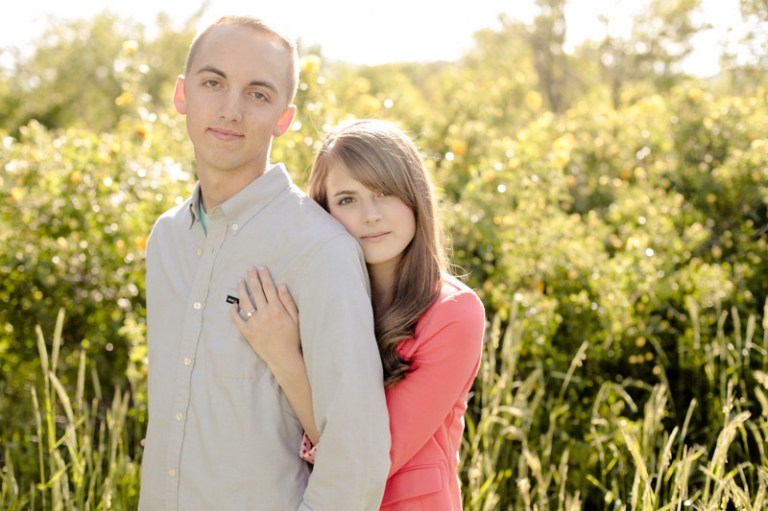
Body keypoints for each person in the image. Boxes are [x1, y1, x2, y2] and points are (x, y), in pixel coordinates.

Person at [138, 17, 390, 510]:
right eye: (214, 83)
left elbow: (357, 456)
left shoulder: (321, 249)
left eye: (257, 94)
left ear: (284, 118)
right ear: (182, 94)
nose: (230, 110)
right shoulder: (166, 239)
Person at [231, 119, 486, 510]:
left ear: (415, 196)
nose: (370, 215)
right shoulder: (314, 296)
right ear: (324, 212)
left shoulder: (454, 314)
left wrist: (285, 359)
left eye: (384, 193)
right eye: (347, 199)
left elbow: (371, 456)